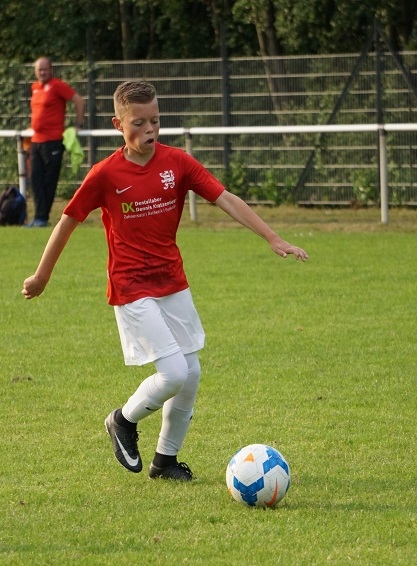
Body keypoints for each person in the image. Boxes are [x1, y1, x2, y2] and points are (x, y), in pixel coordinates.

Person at [22, 81, 308, 482]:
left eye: (155, 120)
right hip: (130, 286)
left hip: (172, 281)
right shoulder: (105, 174)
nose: (150, 130)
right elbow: (68, 221)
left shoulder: (177, 163)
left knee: (191, 373)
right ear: (118, 125)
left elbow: (225, 198)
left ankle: (165, 461)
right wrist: (42, 275)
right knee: (173, 373)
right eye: (138, 123)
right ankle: (122, 420)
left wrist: (272, 237)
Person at [25, 56, 85, 228]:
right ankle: (38, 216)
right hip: (36, 141)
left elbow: (79, 101)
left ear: (51, 70)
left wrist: (78, 125)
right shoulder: (35, 88)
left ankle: (42, 218)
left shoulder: (57, 85)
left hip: (53, 141)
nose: (42, 72)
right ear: (35, 71)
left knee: (49, 181)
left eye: (45, 69)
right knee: (35, 178)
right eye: (40, 69)